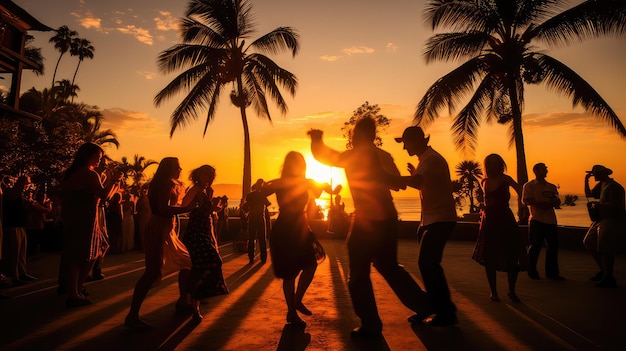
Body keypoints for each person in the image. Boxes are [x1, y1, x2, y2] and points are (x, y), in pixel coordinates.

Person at [309, 117, 429, 337]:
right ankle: (422, 303)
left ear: (356, 134)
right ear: (373, 135)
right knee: (389, 266)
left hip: (366, 219)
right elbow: (397, 184)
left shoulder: (353, 154)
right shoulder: (383, 155)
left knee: (359, 273)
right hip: (387, 216)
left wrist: (316, 138)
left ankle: (370, 323)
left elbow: (325, 156)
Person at [125, 157, 202, 329]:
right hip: (158, 229)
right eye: (178, 167)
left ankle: (183, 300)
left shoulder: (170, 184)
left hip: (168, 231)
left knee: (186, 262)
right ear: (169, 168)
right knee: (152, 272)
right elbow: (163, 209)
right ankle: (132, 315)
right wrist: (187, 209)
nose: (181, 169)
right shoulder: (164, 184)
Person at [261, 151, 336, 326]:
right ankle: (291, 312)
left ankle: (297, 300)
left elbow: (319, 192)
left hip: (300, 228)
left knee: (310, 265)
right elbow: (261, 191)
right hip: (285, 229)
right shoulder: (281, 183)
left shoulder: (305, 182)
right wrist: (270, 185)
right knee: (289, 274)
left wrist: (327, 187)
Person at [59, 143, 122, 307]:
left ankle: (75, 290)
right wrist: (114, 181)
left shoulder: (70, 173)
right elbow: (104, 195)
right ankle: (75, 292)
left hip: (72, 218)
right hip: (86, 219)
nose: (99, 161)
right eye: (97, 157)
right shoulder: (89, 174)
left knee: (77, 255)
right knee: (87, 255)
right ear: (88, 156)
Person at [472, 154, 528, 303]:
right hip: (489, 220)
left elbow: (520, 189)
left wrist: (523, 205)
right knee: (489, 257)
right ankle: (494, 292)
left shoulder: (505, 179)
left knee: (512, 255)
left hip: (505, 219)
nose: (493, 166)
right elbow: (486, 201)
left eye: (496, 163)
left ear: (501, 165)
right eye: (490, 164)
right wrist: (483, 207)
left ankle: (511, 290)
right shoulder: (484, 181)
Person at [182, 165, 229, 321]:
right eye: (206, 174)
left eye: (211, 175)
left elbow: (207, 211)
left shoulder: (205, 191)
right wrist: (196, 206)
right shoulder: (196, 189)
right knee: (209, 262)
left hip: (205, 231)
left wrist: (214, 207)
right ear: (198, 175)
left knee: (200, 267)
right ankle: (193, 301)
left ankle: (193, 301)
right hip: (196, 232)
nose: (209, 177)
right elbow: (185, 204)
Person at [583, 165, 625, 288]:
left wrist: (598, 205)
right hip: (601, 219)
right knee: (589, 242)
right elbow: (588, 194)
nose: (594, 175)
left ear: (601, 174)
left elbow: (614, 205)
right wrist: (586, 180)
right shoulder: (601, 185)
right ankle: (603, 271)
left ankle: (609, 276)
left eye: (595, 174)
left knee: (605, 247)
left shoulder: (614, 187)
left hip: (612, 219)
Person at [522, 163, 564, 280]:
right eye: (543, 169)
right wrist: (544, 204)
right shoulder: (529, 186)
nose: (546, 171)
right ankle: (532, 270)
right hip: (536, 220)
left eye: (546, 169)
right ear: (536, 171)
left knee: (553, 247)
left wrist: (550, 203)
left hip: (551, 221)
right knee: (535, 246)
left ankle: (552, 273)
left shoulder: (551, 187)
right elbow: (527, 200)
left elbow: (556, 201)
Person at [2, 175, 39, 286]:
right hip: (12, 226)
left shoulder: (20, 194)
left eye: (28, 184)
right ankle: (14, 275)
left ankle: (22, 272)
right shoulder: (11, 192)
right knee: (14, 253)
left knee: (21, 252)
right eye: (26, 183)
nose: (27, 186)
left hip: (20, 225)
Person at [245, 179, 271, 264]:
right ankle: (263, 258)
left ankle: (251, 257)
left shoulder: (250, 195)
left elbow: (245, 206)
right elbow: (268, 203)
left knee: (251, 238)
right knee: (262, 239)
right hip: (260, 218)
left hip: (252, 217)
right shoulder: (262, 195)